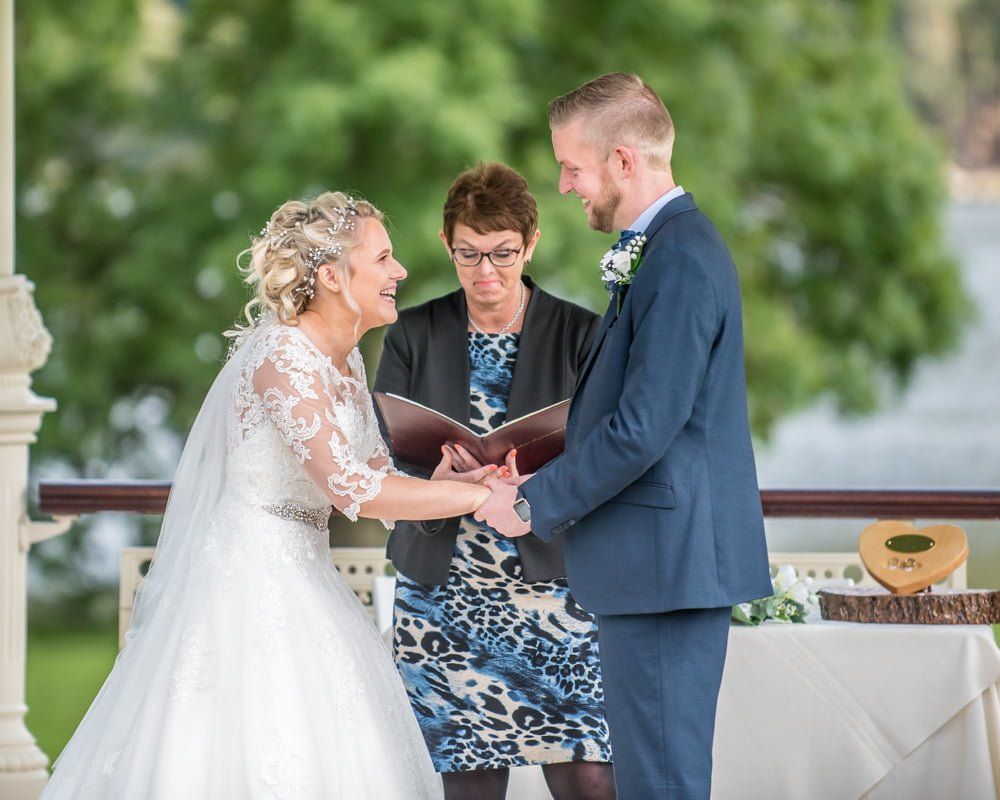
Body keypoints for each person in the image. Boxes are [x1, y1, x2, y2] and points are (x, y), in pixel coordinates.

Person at [41, 192, 496, 799]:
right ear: (333, 276)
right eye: (384, 258)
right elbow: (354, 488)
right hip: (248, 579)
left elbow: (373, 472)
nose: (400, 272)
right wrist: (478, 500)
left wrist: (453, 483)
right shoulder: (282, 356)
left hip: (308, 569)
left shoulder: (346, 360)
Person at [477, 73, 773, 799]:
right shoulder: (665, 249)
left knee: (661, 784)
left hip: (667, 572)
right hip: (655, 569)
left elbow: (645, 428)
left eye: (574, 167)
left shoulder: (680, 258)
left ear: (624, 161)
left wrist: (530, 504)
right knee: (650, 780)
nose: (565, 184)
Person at [373, 162, 614, 800]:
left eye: (503, 254)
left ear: (530, 244)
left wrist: (534, 480)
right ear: (447, 245)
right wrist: (437, 476)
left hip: (557, 590)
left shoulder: (581, 332)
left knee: (589, 777)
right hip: (442, 593)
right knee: (470, 786)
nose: (486, 272)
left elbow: (605, 455)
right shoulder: (413, 333)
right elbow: (377, 459)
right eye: (468, 254)